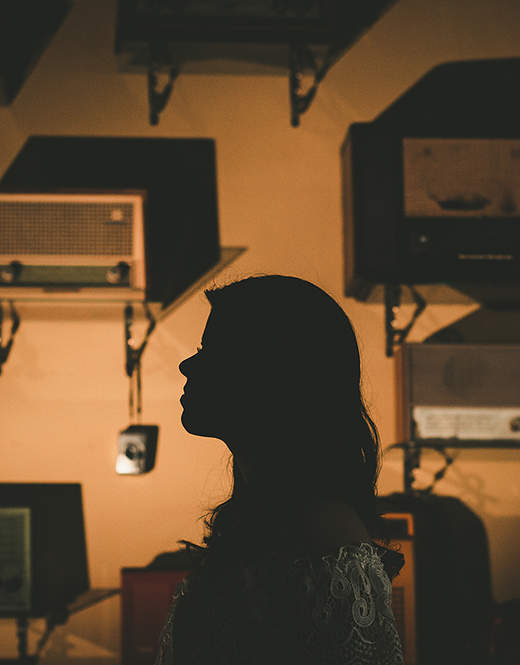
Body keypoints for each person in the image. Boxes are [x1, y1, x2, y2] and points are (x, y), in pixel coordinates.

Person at [158, 275, 404, 665]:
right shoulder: (268, 518)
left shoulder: (323, 529)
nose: (187, 364)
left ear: (272, 372)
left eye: (214, 350)